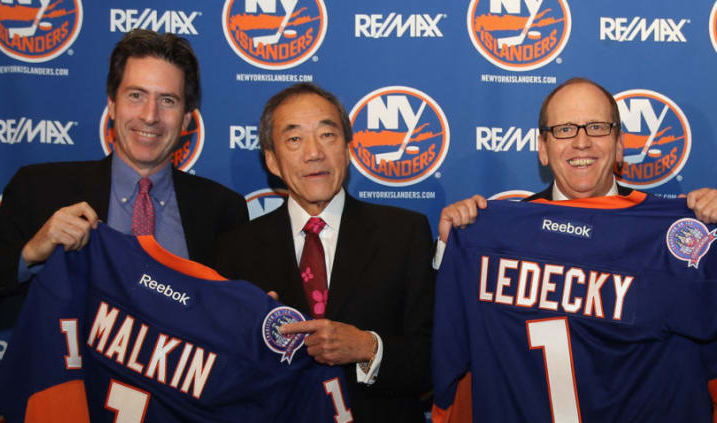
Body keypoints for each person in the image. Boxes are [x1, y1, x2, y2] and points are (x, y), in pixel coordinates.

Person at [0, 29, 248, 309]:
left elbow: (234, 316)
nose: (150, 116)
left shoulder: (223, 211)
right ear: (112, 105)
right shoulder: (39, 189)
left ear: (187, 119)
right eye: (136, 95)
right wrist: (29, 254)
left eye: (167, 101)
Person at [213, 82, 434, 422]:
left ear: (347, 148)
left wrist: (367, 348)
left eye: (327, 135)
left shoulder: (405, 234)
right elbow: (220, 373)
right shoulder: (235, 249)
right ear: (272, 160)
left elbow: (434, 360)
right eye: (294, 139)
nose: (314, 152)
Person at [436, 77, 717, 256]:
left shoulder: (668, 231)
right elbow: (452, 320)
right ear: (543, 149)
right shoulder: (502, 234)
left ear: (620, 146)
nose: (581, 142)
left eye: (596, 127)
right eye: (565, 129)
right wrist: (453, 246)